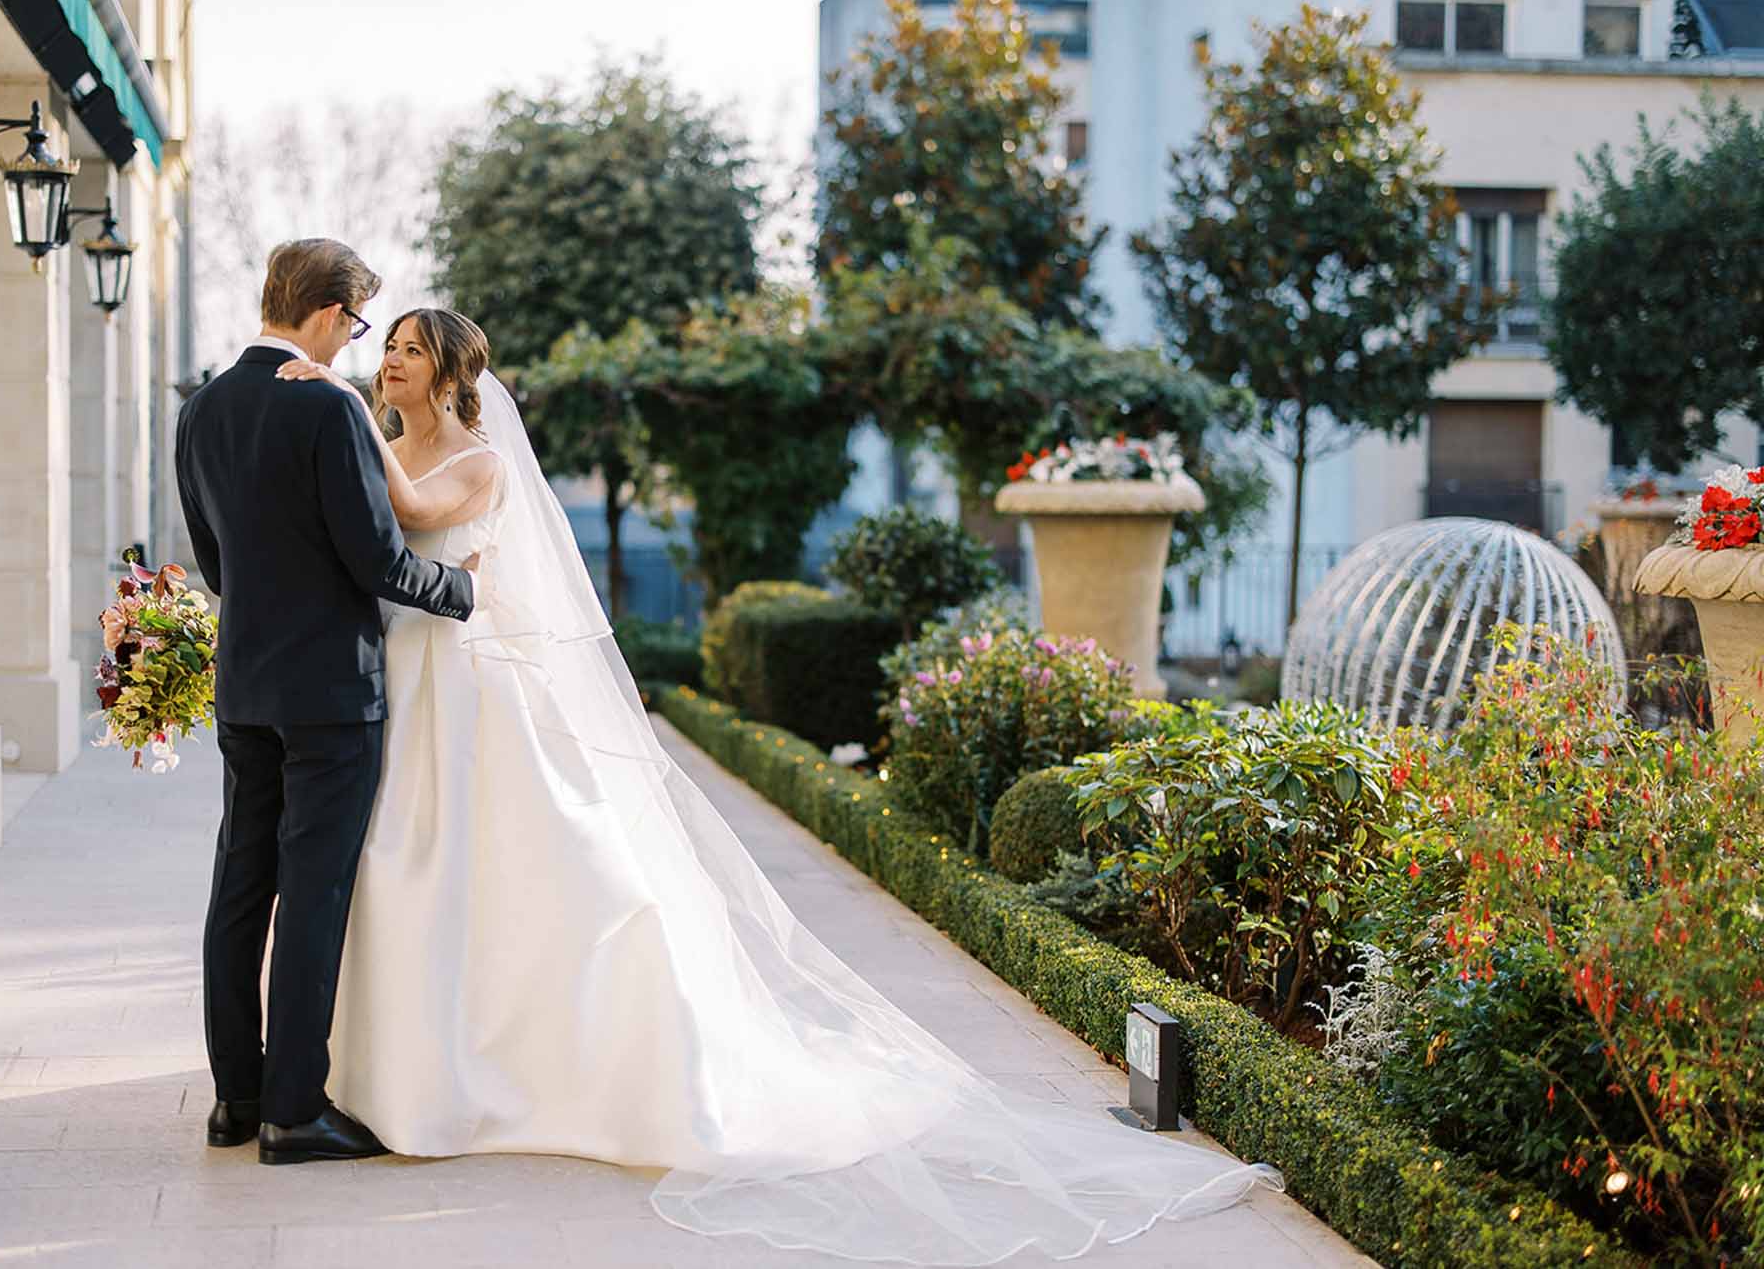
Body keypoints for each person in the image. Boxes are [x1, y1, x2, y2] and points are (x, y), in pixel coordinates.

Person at [266, 307, 1284, 1264]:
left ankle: (537, 1067)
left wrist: (340, 405)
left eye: (406, 347)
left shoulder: (472, 460)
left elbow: (412, 512)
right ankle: (402, 1066)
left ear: (448, 370)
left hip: (472, 686)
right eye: (383, 346)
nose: (388, 358)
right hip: (404, 674)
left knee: (528, 867)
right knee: (406, 867)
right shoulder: (387, 441)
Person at [172, 241, 481, 1166]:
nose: (355, 344)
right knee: (314, 895)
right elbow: (379, 561)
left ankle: (235, 1098)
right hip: (331, 698)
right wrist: (463, 591)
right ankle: (294, 1111)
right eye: (356, 325)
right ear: (327, 312)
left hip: (247, 685)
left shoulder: (201, 410)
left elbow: (216, 567)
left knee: (239, 886)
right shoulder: (325, 405)